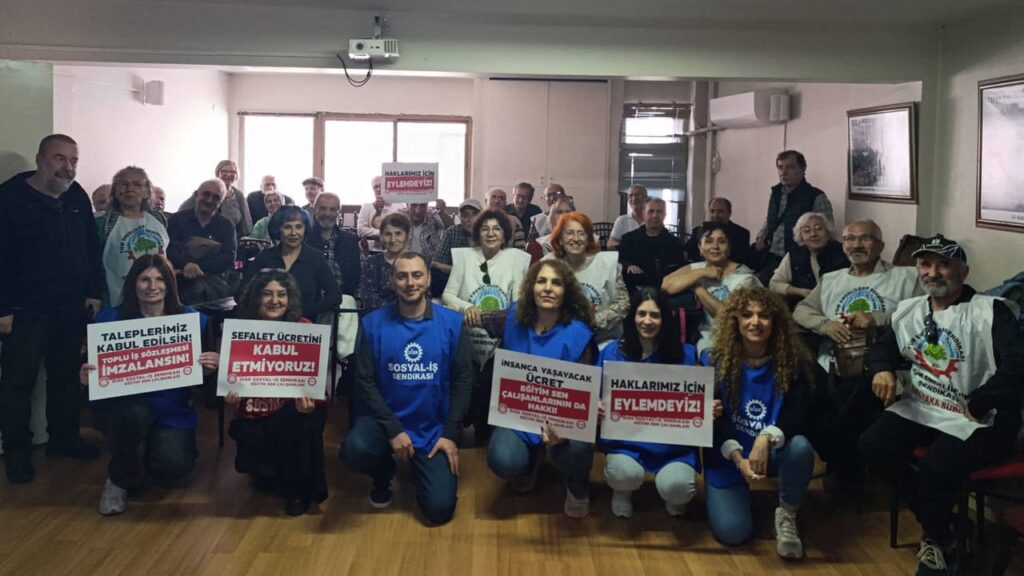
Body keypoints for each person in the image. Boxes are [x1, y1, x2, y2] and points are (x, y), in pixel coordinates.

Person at [859, 235, 1024, 576]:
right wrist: (882, 369)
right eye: (925, 264)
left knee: (937, 464)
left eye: (943, 264)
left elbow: (1017, 365)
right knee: (872, 444)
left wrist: (981, 400)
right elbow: (883, 349)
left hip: (982, 417)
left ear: (963, 271)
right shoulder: (909, 310)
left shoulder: (991, 311)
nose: (932, 273)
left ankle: (938, 541)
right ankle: (945, 524)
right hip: (927, 407)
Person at [79, 255, 219, 515]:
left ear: (169, 284)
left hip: (172, 412)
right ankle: (118, 480)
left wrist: (211, 368)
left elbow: (203, 385)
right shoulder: (109, 320)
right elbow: (94, 376)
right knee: (133, 414)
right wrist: (86, 377)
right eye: (144, 279)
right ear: (133, 283)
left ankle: (140, 454)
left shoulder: (192, 320)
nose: (152, 286)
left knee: (174, 466)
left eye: (160, 279)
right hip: (124, 408)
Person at [0, 134, 104, 483]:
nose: (68, 167)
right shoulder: (9, 198)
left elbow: (91, 246)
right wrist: (3, 308)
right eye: (60, 158)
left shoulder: (76, 196)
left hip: (70, 306)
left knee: (66, 379)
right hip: (25, 310)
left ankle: (64, 439)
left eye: (73, 160)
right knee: (18, 384)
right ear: (40, 158)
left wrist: (94, 291)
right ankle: (17, 454)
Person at [341, 252, 472, 525]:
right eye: (402, 276)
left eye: (417, 275)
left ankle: (420, 465)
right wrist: (393, 429)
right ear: (392, 281)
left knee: (439, 510)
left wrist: (450, 434)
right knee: (354, 450)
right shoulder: (372, 323)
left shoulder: (452, 324)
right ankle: (383, 472)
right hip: (384, 421)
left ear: (428, 279)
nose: (410, 282)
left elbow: (463, 381)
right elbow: (364, 381)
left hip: (432, 427)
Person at [792, 219, 919, 488]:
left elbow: (924, 314)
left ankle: (844, 473)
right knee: (799, 397)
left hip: (881, 369)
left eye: (865, 238)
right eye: (850, 239)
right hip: (830, 365)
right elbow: (801, 310)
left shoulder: (906, 277)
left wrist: (877, 317)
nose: (856, 245)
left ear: (880, 245)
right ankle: (841, 466)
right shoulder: (831, 279)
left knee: (846, 403)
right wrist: (826, 325)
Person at [704, 287, 816, 559]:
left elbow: (798, 417)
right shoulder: (713, 360)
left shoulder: (795, 363)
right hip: (729, 455)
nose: (755, 322)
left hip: (772, 451)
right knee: (733, 533)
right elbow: (715, 426)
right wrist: (737, 457)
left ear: (775, 321)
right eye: (747, 315)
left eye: (764, 315)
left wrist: (765, 438)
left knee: (800, 447)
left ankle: (786, 513)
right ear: (735, 321)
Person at [485, 259, 597, 518]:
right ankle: (530, 462)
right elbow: (476, 319)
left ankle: (577, 485)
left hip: (561, 422)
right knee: (503, 459)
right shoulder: (513, 317)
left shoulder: (579, 333)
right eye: (541, 281)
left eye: (556, 283)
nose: (547, 288)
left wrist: (565, 432)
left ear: (566, 291)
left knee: (578, 450)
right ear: (531, 287)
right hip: (518, 418)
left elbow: (585, 395)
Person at [224, 270, 328, 516]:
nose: (275, 301)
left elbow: (316, 383)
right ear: (257, 298)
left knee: (304, 418)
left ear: (290, 299)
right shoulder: (242, 331)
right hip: (255, 412)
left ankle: (298, 491)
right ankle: (285, 481)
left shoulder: (304, 328)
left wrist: (311, 401)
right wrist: (230, 397)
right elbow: (232, 382)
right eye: (267, 294)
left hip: (292, 410)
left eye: (282, 294)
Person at [597, 288, 699, 518]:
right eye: (641, 313)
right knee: (624, 475)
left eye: (655, 315)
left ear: (665, 319)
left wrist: (706, 407)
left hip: (673, 448)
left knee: (679, 488)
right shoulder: (613, 352)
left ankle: (673, 496)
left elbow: (698, 399)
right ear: (632, 316)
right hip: (626, 443)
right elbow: (593, 392)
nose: (647, 321)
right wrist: (596, 403)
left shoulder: (686, 356)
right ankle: (622, 491)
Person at [441, 209, 530, 432]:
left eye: (497, 229)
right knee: (465, 393)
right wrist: (467, 307)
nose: (491, 233)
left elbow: (518, 304)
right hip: (467, 338)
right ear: (477, 234)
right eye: (485, 229)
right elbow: (448, 295)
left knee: (490, 400)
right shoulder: (464, 258)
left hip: (499, 339)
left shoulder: (516, 260)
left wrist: (492, 319)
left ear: (505, 234)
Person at [661, 221, 761, 356]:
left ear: (729, 248)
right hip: (700, 339)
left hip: (732, 342)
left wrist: (698, 289)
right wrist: (703, 272)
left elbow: (727, 315)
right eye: (708, 241)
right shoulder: (698, 268)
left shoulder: (744, 278)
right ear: (700, 247)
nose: (715, 247)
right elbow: (666, 285)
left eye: (721, 242)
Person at [241, 206, 339, 323]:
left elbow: (335, 295)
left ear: (305, 229)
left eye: (299, 227)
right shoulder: (264, 257)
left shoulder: (315, 258)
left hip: (304, 324)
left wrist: (306, 311)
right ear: (278, 229)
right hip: (266, 324)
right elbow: (241, 293)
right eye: (287, 227)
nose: (294, 233)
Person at [543, 211, 628, 344]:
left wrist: (594, 321)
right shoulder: (548, 266)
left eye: (581, 233)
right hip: (559, 339)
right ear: (560, 239)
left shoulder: (607, 264)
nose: (576, 238)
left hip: (602, 341)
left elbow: (623, 304)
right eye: (569, 233)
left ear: (589, 239)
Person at [754, 151, 834, 285]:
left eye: (790, 167)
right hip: (772, 257)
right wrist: (761, 236)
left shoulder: (816, 196)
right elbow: (770, 219)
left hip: (800, 262)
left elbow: (827, 232)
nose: (783, 172)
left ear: (802, 169)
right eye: (780, 167)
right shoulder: (775, 194)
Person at [97, 166, 170, 306]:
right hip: (116, 297)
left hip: (157, 296)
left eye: (137, 185)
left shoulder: (160, 219)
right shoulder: (102, 222)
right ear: (115, 191)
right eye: (123, 184)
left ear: (146, 192)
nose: (129, 189)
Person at [166, 179, 238, 305]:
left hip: (214, 292)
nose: (209, 200)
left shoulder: (226, 225)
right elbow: (169, 249)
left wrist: (198, 267)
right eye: (206, 194)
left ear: (221, 202)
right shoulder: (176, 220)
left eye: (216, 197)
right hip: (179, 289)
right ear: (196, 195)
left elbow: (229, 256)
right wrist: (186, 264)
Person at [768, 212, 848, 308]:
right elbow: (774, 284)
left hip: (838, 305)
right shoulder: (794, 255)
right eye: (807, 231)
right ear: (800, 236)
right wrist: (800, 291)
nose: (813, 234)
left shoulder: (843, 252)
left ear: (828, 231)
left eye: (819, 228)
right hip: (804, 306)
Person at [617, 197, 687, 294]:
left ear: (664, 215)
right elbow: (619, 261)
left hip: (665, 292)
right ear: (643, 214)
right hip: (633, 291)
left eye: (659, 212)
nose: (655, 215)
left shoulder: (675, 243)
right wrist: (628, 266)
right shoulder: (628, 239)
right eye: (651, 211)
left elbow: (680, 269)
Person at [178, 160, 253, 239]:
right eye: (224, 171)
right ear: (218, 173)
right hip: (203, 237)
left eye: (232, 172)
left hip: (231, 238)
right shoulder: (206, 190)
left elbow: (247, 225)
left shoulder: (239, 195)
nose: (228, 174)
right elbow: (182, 211)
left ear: (236, 175)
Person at [306, 192, 361, 297]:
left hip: (344, 298)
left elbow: (358, 278)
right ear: (314, 210)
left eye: (332, 209)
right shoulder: (305, 239)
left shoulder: (351, 241)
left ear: (338, 212)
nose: (327, 213)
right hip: (312, 299)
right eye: (323, 208)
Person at [360, 213, 411, 311]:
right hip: (378, 315)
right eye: (388, 234)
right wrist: (393, 311)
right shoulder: (371, 263)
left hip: (411, 315)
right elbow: (367, 296)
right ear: (381, 236)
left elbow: (423, 295)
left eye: (398, 233)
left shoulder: (417, 263)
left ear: (407, 236)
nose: (393, 240)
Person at [432, 198, 481, 296]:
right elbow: (438, 263)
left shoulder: (488, 233)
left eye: (474, 215)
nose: (469, 220)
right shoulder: (452, 232)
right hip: (454, 282)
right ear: (459, 217)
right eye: (465, 215)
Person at [684, 197, 751, 267]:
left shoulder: (741, 234)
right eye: (712, 211)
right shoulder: (698, 231)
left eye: (720, 211)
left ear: (729, 213)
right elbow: (689, 252)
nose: (715, 215)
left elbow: (742, 259)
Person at [530, 196, 576, 260]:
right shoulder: (540, 245)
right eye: (560, 212)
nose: (564, 215)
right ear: (552, 217)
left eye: (567, 212)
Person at [357, 176, 397, 242]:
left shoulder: (399, 206)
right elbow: (360, 231)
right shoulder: (366, 207)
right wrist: (382, 233)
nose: (378, 189)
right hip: (374, 247)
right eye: (375, 187)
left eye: (381, 186)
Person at [607, 185, 647, 250]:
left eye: (637, 195)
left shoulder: (653, 221)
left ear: (646, 198)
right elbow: (610, 244)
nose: (634, 198)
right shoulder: (621, 220)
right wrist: (628, 246)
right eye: (630, 195)